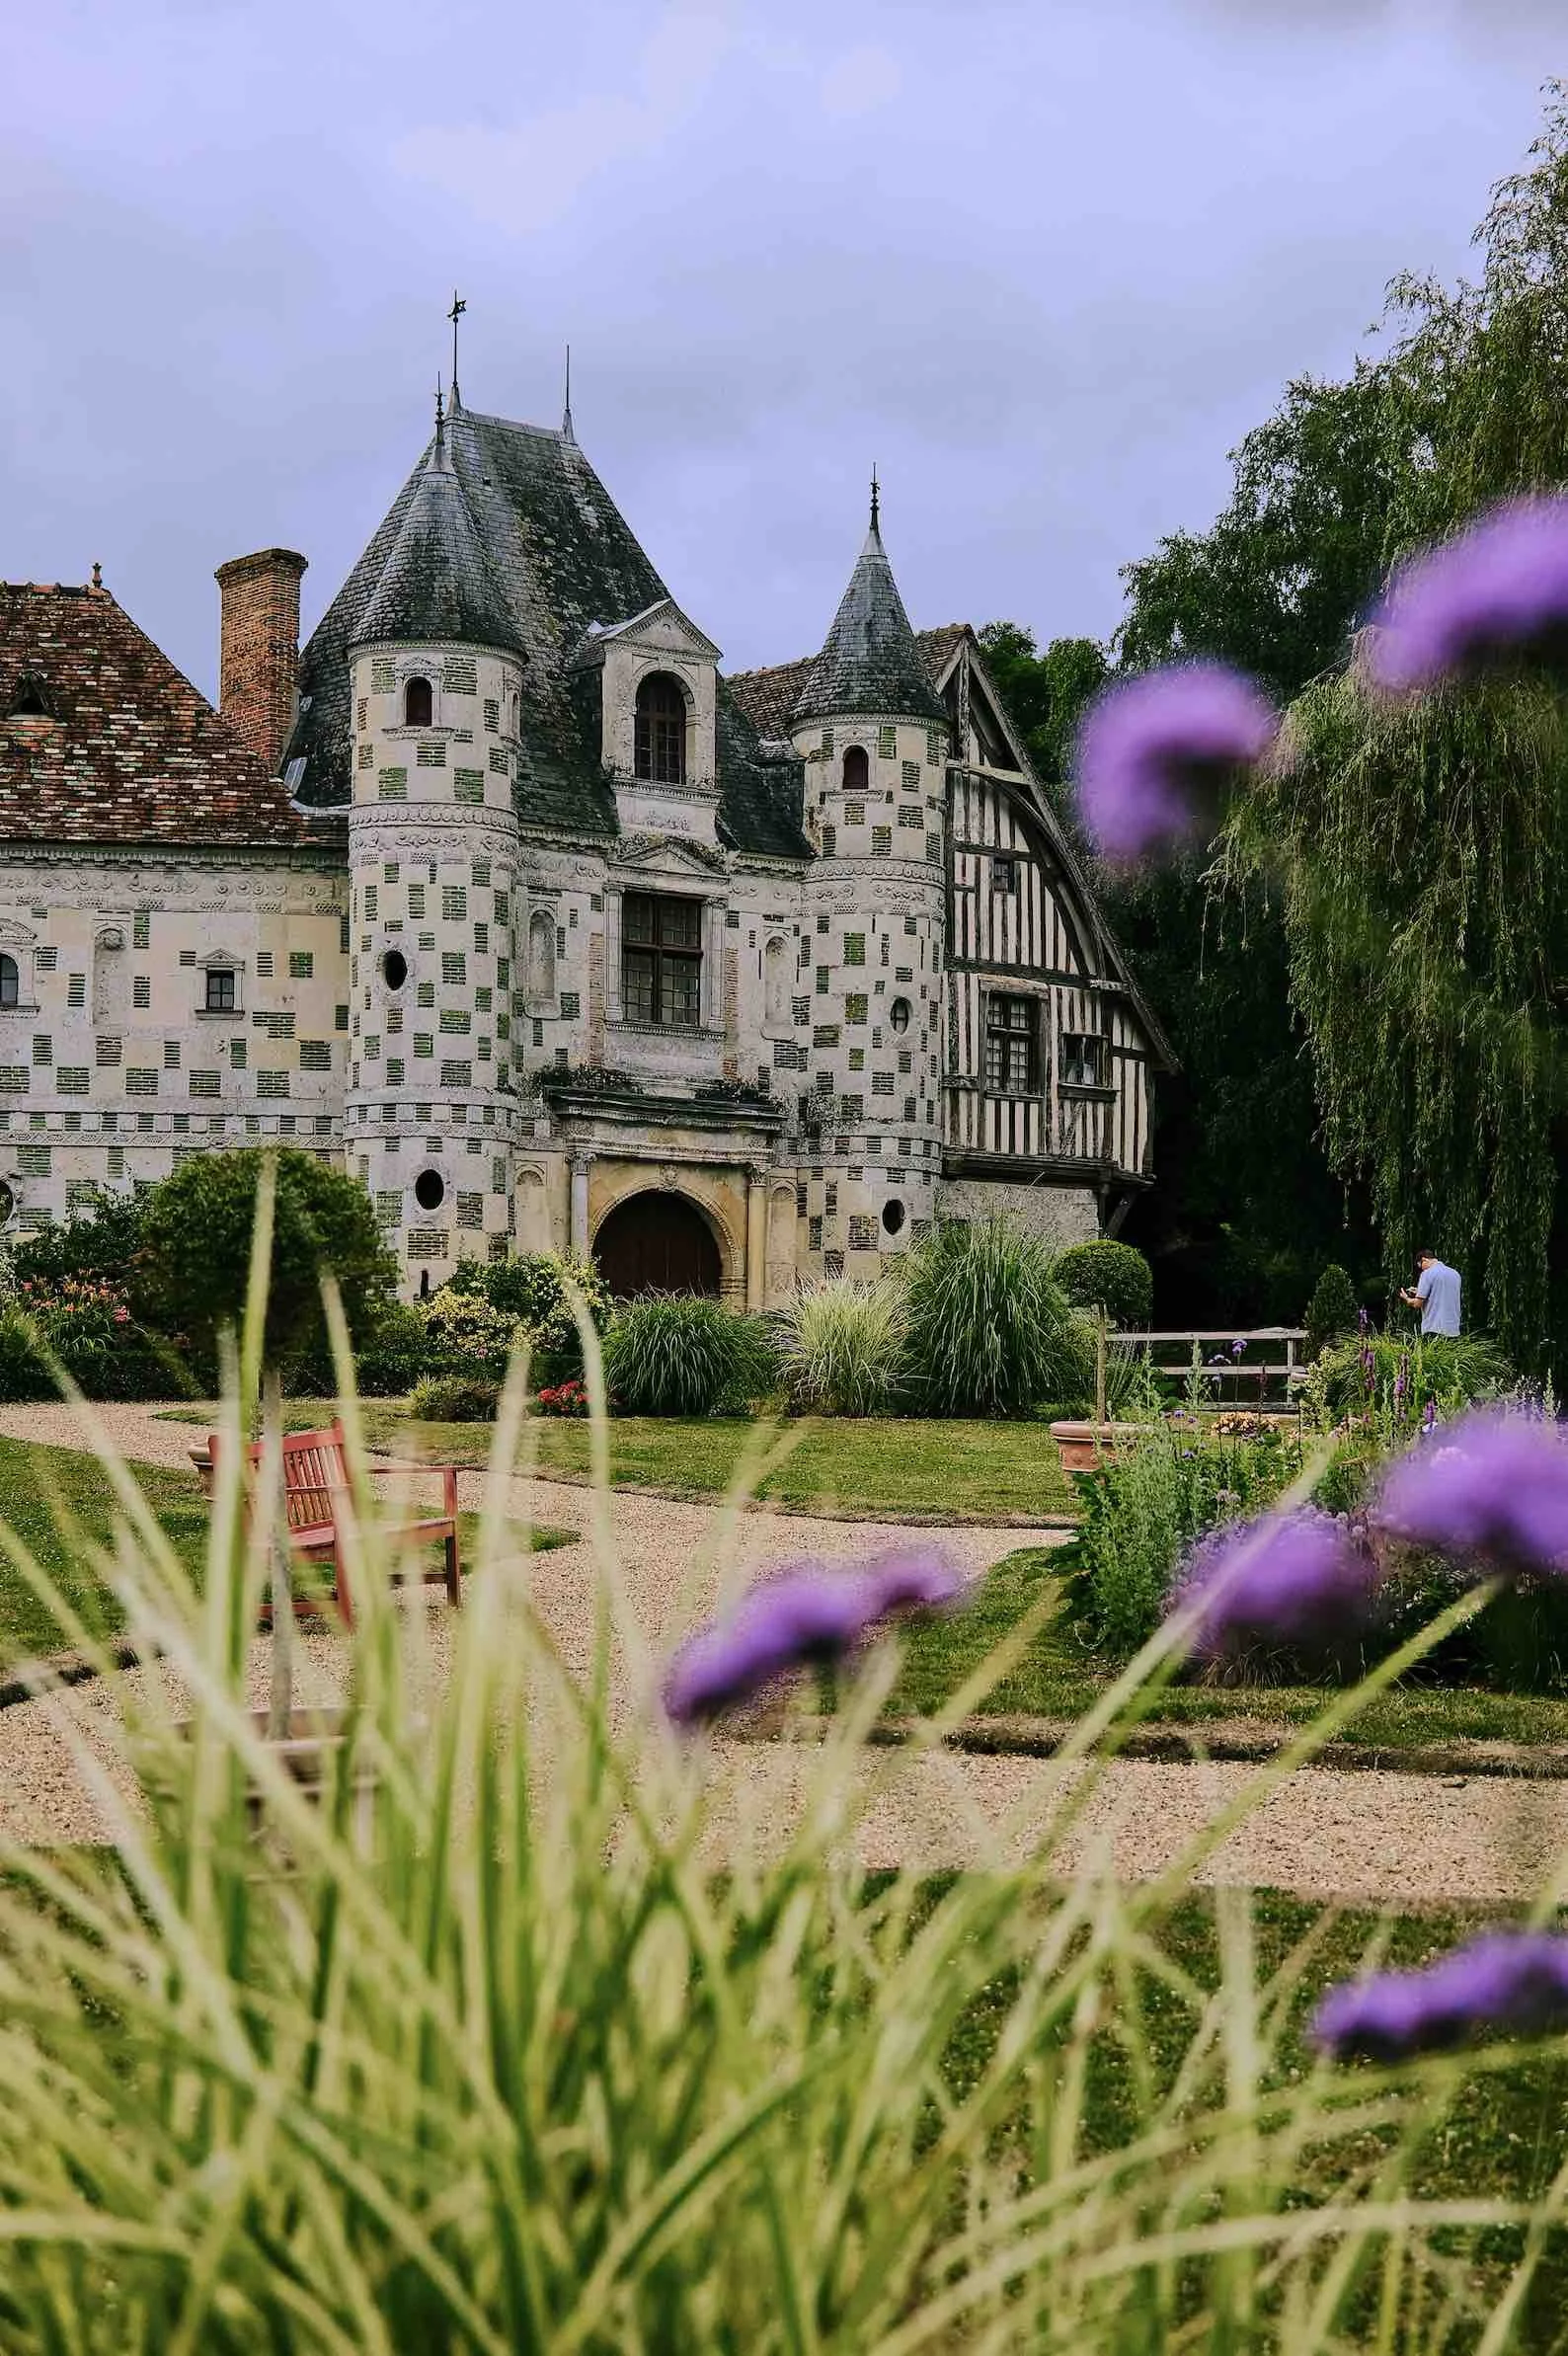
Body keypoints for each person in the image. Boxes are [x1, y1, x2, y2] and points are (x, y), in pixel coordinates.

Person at [1400, 1250, 1461, 1338]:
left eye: (1420, 1266)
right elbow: (1443, 1294)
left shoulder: (1427, 1274)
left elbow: (1417, 1304)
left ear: (1424, 1260)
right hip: (1453, 1330)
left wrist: (1407, 1299)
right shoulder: (1455, 1274)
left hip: (1434, 1329)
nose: (1422, 1269)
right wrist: (1419, 1291)